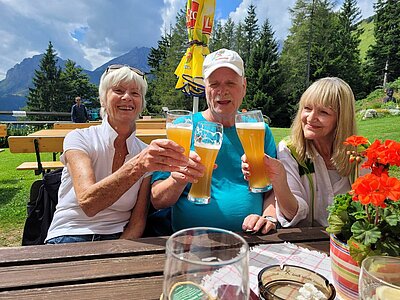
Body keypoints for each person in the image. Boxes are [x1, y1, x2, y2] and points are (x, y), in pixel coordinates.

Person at [46, 65, 202, 244]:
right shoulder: (79, 138)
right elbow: (89, 204)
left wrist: (118, 250)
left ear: (141, 104)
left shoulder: (144, 152)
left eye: (135, 94)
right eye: (118, 90)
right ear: (103, 99)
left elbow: (137, 223)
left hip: (120, 239)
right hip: (70, 234)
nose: (127, 97)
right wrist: (138, 166)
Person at [150, 49, 278, 235]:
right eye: (214, 84)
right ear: (205, 88)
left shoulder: (258, 130)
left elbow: (271, 190)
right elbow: (157, 200)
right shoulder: (182, 128)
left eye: (230, 83)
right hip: (192, 241)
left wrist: (268, 217)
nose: (222, 91)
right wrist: (177, 181)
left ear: (244, 86)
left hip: (251, 238)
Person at [242, 77, 357, 227]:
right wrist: (279, 180)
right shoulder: (290, 150)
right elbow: (292, 213)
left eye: (323, 112)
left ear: (341, 119)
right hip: (310, 243)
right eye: (307, 108)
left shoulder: (359, 153)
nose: (310, 118)